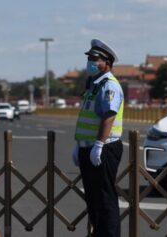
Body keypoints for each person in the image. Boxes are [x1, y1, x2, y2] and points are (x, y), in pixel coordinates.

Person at [72, 39, 124, 237]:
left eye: (95, 59)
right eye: (89, 58)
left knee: (105, 199)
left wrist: (99, 144)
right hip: (88, 148)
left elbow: (108, 116)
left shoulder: (109, 85)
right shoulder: (94, 84)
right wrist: (80, 145)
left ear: (107, 62)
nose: (90, 62)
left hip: (104, 148)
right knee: (93, 200)